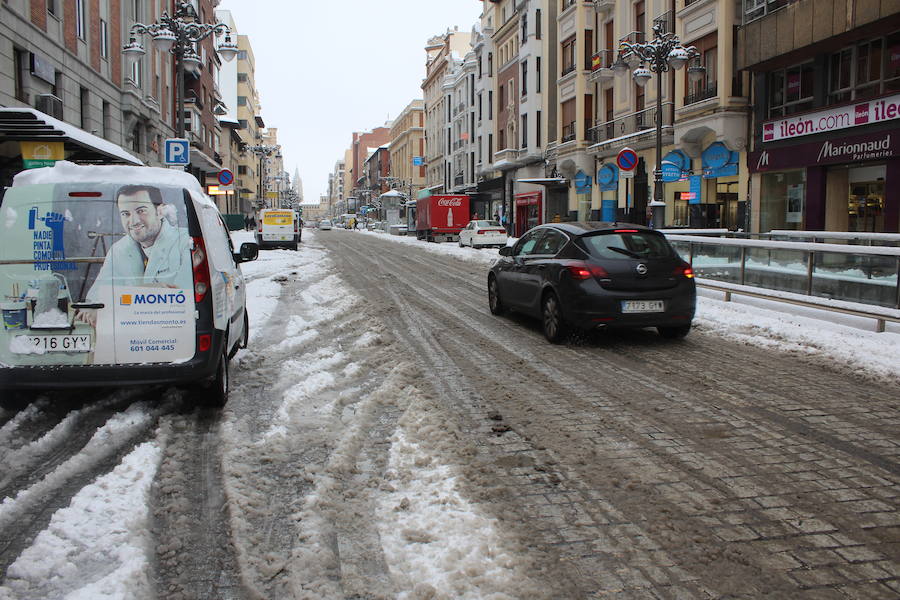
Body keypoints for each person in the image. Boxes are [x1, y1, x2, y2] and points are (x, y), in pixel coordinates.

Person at [75, 185, 193, 326]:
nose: (134, 221)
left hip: (172, 332)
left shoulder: (186, 243)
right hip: (127, 335)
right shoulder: (119, 250)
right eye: (126, 214)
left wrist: (114, 302)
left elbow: (182, 299)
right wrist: (149, 291)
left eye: (141, 211)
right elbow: (96, 298)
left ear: (160, 211)